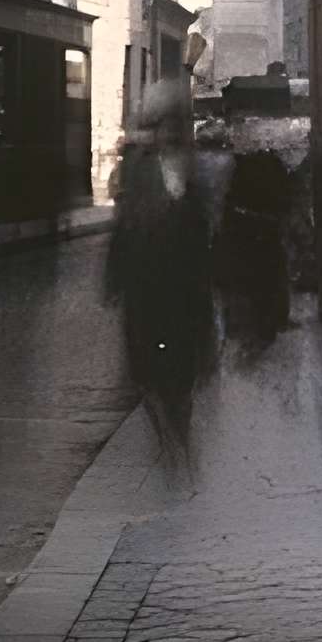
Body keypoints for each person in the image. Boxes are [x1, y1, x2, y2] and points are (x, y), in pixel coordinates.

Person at [103, 78, 216, 459]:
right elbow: (124, 226)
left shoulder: (195, 170)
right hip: (146, 285)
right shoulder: (138, 168)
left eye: (176, 122)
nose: (170, 130)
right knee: (147, 373)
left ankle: (178, 438)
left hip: (184, 288)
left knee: (182, 374)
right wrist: (114, 279)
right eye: (163, 122)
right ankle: (169, 438)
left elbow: (203, 231)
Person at [214, 136, 293, 353]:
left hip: (246, 232)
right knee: (268, 280)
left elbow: (230, 201)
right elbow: (285, 199)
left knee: (250, 282)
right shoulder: (273, 165)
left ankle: (252, 329)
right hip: (266, 232)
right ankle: (267, 327)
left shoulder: (239, 166)